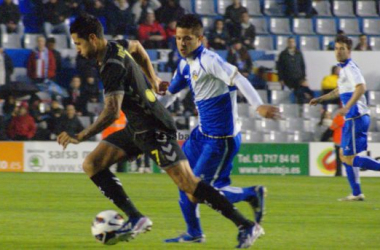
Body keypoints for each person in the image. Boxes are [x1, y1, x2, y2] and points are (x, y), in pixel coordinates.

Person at [58, 14, 263, 248]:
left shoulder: (111, 66)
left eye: (78, 43)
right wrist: (153, 77)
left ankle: (246, 225)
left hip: (154, 127)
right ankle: (136, 217)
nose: (77, 49)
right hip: (136, 127)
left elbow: (112, 112)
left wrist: (80, 135)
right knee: (92, 164)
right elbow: (137, 46)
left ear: (92, 38)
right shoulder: (115, 47)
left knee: (190, 186)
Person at [157, 14, 278, 244]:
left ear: (200, 39)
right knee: (185, 182)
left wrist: (258, 105)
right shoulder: (184, 64)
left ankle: (251, 194)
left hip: (220, 140)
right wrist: (148, 113)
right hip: (201, 135)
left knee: (197, 191)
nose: (182, 43)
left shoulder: (209, 60)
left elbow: (238, 78)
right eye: (179, 38)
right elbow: (170, 96)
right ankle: (194, 233)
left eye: (188, 39)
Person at [310, 35, 380, 201]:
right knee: (344, 154)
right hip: (354, 117)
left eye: (342, 48)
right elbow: (338, 91)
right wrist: (321, 99)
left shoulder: (350, 68)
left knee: (347, 157)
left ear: (349, 51)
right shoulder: (343, 70)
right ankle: (356, 193)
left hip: (355, 116)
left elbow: (361, 87)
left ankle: (357, 192)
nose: (338, 51)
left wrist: (347, 107)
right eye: (336, 48)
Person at [277, 36, 314, 104]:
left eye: (292, 42)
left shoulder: (299, 54)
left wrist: (303, 78)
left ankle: (303, 108)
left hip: (299, 79)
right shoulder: (283, 54)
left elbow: (302, 66)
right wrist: (281, 79)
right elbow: (280, 68)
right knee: (291, 96)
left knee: (307, 94)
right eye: (290, 42)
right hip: (287, 80)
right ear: (287, 43)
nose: (291, 43)